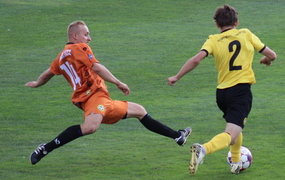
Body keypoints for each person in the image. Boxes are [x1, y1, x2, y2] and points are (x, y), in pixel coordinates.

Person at [25, 20, 191, 165]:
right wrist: (118, 82)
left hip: (100, 99)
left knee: (139, 111)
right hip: (93, 96)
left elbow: (47, 74)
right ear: (75, 36)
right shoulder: (79, 47)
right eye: (86, 34)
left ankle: (177, 136)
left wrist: (36, 83)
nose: (89, 38)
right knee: (90, 127)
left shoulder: (61, 57)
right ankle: (45, 149)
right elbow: (96, 67)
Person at [167, 5, 276, 175]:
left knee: (236, 126)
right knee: (231, 134)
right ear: (236, 22)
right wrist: (265, 60)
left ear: (217, 25)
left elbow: (196, 60)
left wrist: (177, 76)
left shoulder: (213, 40)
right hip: (240, 92)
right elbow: (272, 55)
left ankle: (236, 161)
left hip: (222, 94)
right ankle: (204, 149)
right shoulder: (246, 33)